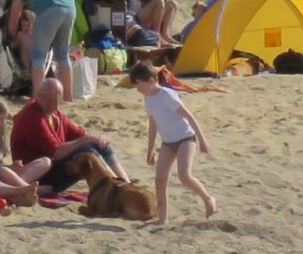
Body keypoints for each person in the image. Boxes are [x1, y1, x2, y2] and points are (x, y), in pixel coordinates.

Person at [130, 64, 216, 224]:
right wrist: (150, 150)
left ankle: (207, 198)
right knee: (160, 180)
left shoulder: (167, 95)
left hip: (186, 138)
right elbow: (153, 124)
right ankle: (162, 219)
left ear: (151, 81)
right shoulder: (148, 98)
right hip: (168, 142)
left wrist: (202, 140)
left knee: (184, 175)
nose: (137, 88)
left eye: (139, 84)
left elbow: (189, 116)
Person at [11, 77, 126, 194]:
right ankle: (115, 188)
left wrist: (98, 139)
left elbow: (80, 135)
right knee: (87, 152)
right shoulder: (32, 116)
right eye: (48, 99)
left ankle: (124, 183)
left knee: (101, 146)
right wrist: (86, 139)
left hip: (52, 168)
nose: (53, 104)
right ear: (39, 96)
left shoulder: (56, 115)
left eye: (56, 99)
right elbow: (57, 152)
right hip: (36, 176)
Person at [6, 0, 80, 85]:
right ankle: (68, 94)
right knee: (63, 55)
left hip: (51, 10)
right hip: (70, 8)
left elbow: (13, 20)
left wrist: (12, 38)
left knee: (38, 56)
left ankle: (38, 94)